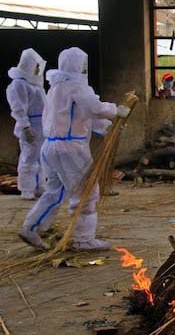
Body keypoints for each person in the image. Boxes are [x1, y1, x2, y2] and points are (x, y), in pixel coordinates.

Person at [18, 47, 131, 251]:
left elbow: (81, 117)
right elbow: (95, 108)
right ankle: (83, 239)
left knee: (54, 193)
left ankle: (31, 228)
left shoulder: (56, 88)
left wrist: (108, 128)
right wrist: (116, 111)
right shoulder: (77, 87)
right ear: (79, 65)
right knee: (86, 193)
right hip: (70, 148)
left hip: (50, 147)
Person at [6, 48, 47, 200]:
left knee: (41, 158)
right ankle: (27, 189)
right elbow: (18, 108)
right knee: (29, 157)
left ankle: (40, 186)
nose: (38, 70)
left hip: (41, 125)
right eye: (35, 66)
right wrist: (25, 127)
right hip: (31, 124)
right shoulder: (18, 84)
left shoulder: (35, 84)